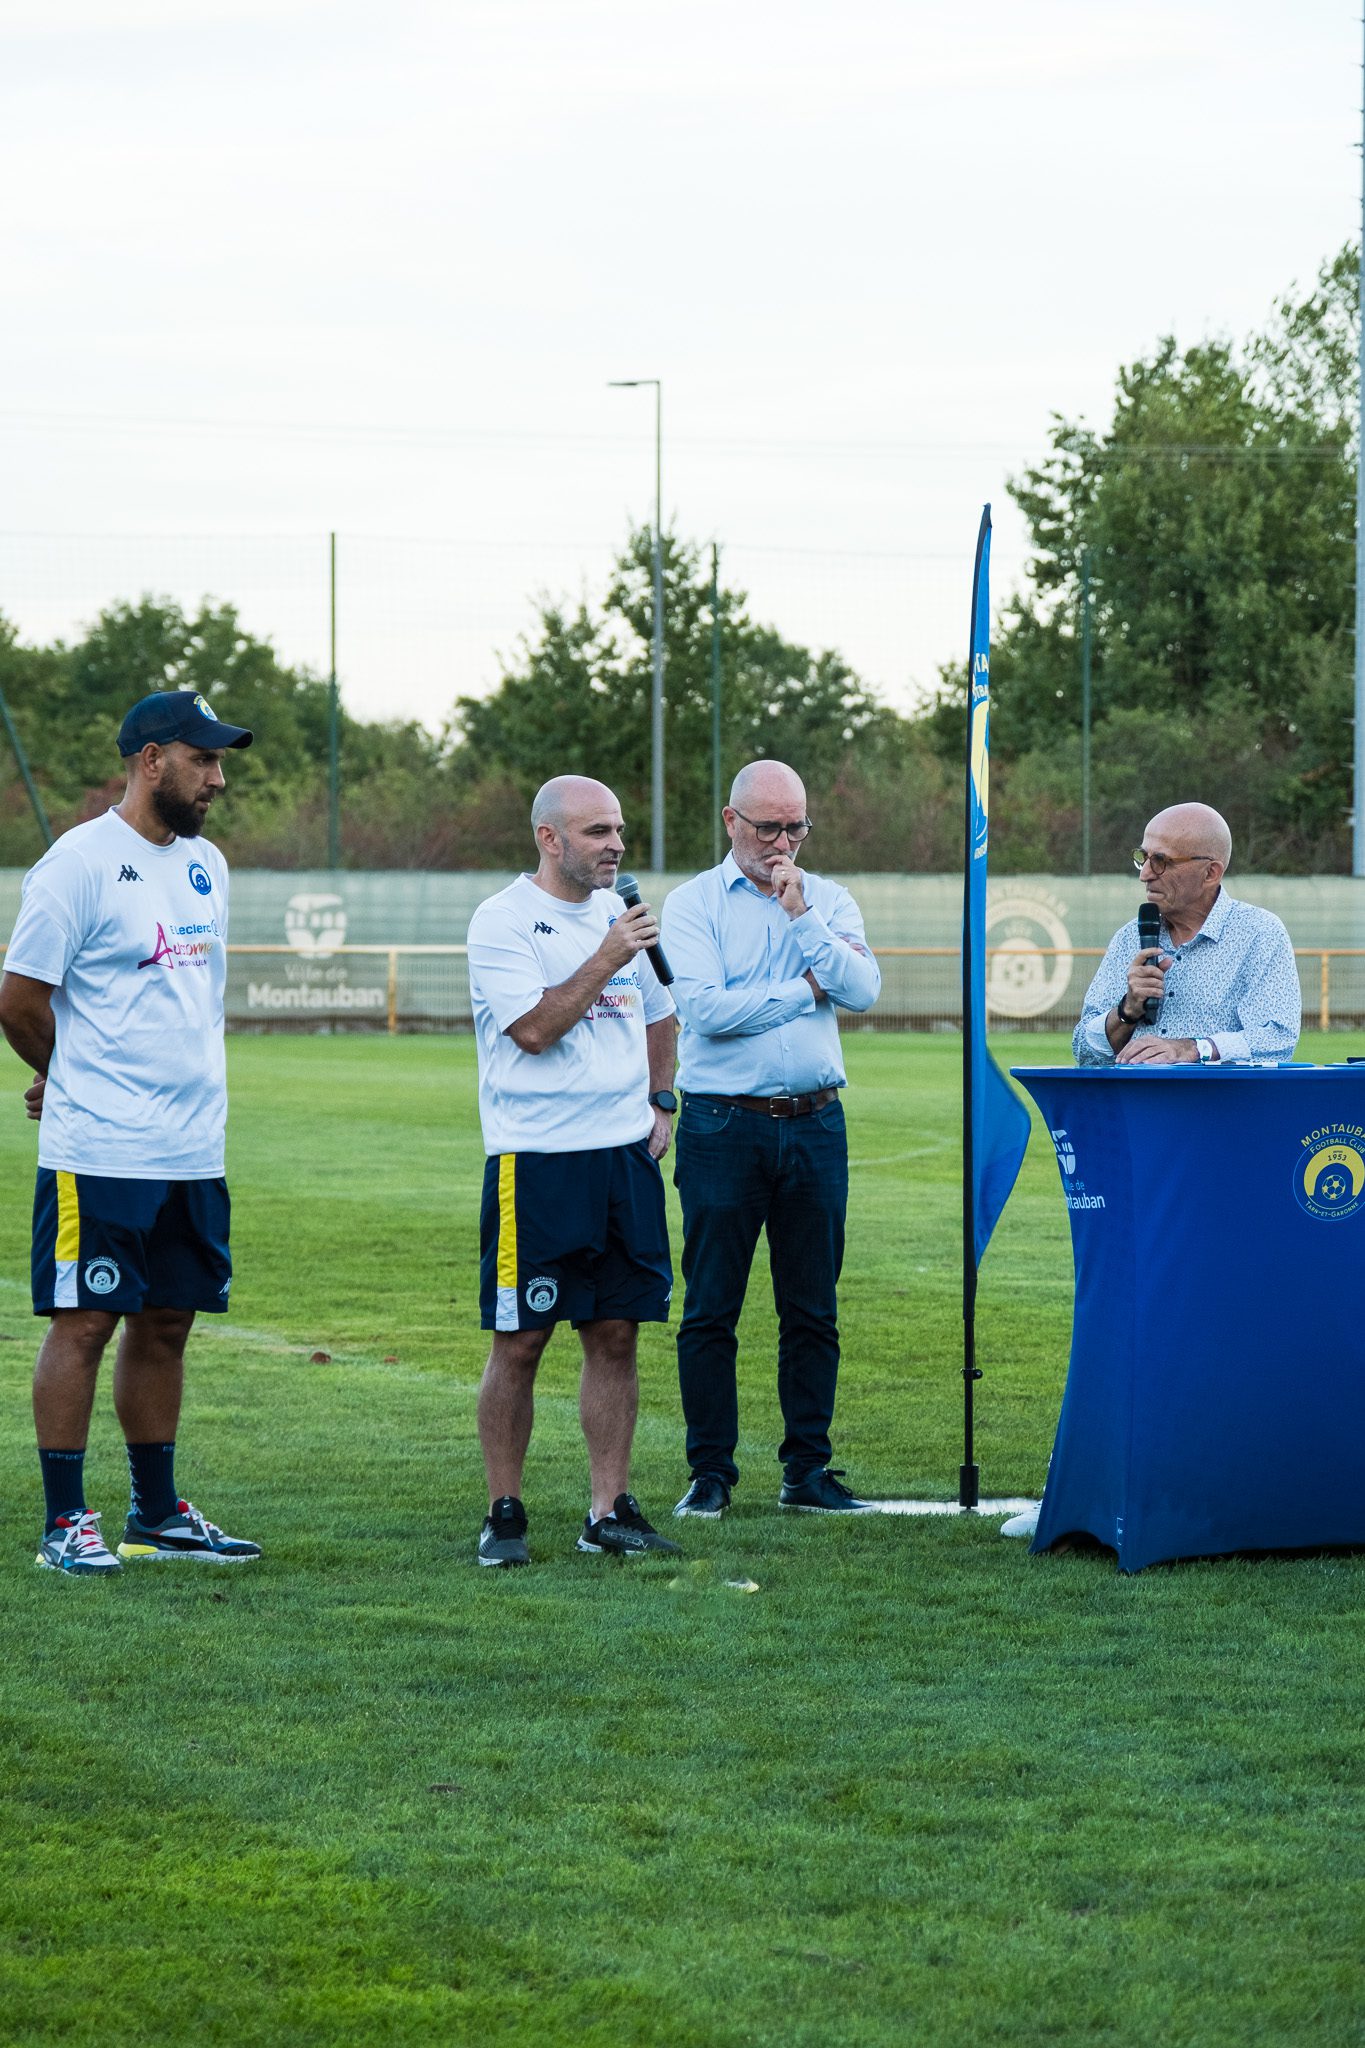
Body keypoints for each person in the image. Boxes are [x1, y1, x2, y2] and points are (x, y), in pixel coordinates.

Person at [0, 689, 262, 1574]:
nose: (217, 779)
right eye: (203, 759)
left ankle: (156, 1517)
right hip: (102, 1149)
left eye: (219, 761)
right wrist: (70, 1077)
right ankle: (65, 1523)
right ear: (152, 760)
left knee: (167, 1323)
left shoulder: (207, 865)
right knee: (84, 1325)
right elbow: (20, 1000)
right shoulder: (76, 864)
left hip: (193, 1147)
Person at [1000, 799, 1301, 1541]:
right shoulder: (1129, 940)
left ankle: (1222, 1489)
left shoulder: (1259, 935)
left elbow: (1276, 1037)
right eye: (1142, 856)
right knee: (1122, 1324)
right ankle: (1089, 1489)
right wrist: (1127, 1012)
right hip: (1135, 1169)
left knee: (1216, 1328)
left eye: (1162, 860)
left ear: (1211, 870)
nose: (1145, 872)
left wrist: (1189, 1049)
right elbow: (1085, 1046)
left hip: (1225, 1172)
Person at [466, 775, 681, 1566]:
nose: (615, 845)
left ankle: (607, 1510)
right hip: (537, 1163)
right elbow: (532, 1029)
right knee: (521, 1341)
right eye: (597, 832)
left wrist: (661, 1100)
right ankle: (503, 1512)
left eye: (618, 830)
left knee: (616, 1334)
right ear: (549, 838)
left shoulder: (620, 916)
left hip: (622, 1159)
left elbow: (661, 1013)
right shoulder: (502, 920)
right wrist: (606, 954)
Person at [659, 759, 882, 1519]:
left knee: (812, 1309)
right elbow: (706, 1012)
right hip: (723, 1123)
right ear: (731, 822)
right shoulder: (693, 904)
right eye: (768, 828)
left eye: (796, 828)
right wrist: (805, 989)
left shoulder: (828, 900)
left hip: (816, 1122)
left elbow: (863, 990)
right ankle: (710, 1474)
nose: (782, 843)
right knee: (710, 1307)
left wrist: (802, 919)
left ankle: (807, 1472)